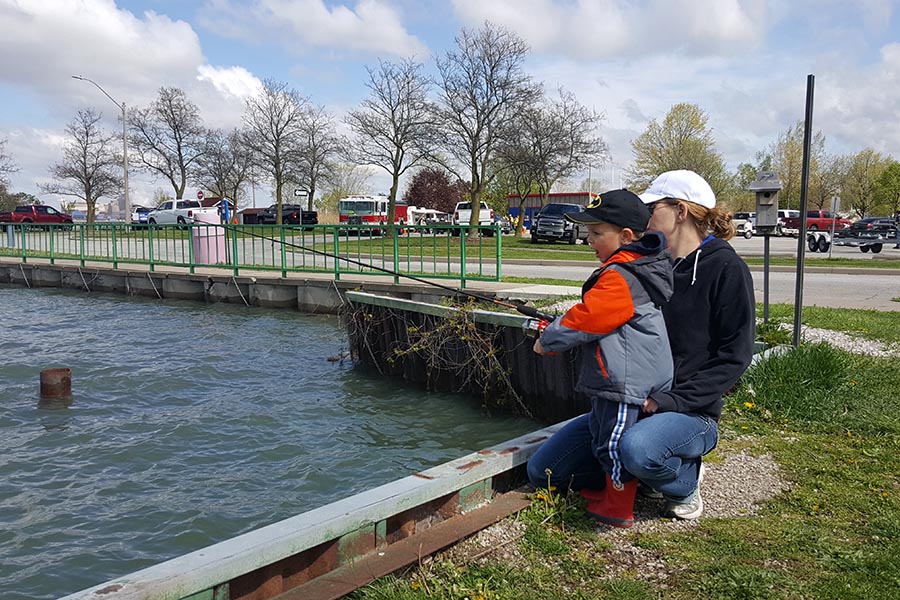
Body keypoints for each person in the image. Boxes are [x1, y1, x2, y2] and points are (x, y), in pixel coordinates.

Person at [528, 189, 674, 528]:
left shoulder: (620, 276)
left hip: (625, 381)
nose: (588, 239)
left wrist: (548, 339)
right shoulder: (636, 268)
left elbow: (588, 318)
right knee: (602, 430)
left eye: (596, 233)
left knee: (612, 442)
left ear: (625, 236)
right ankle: (613, 492)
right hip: (629, 376)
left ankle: (618, 506)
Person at [616, 169, 756, 520]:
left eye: (653, 208)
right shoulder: (652, 264)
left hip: (692, 411)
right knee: (546, 466)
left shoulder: (727, 268)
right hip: (640, 402)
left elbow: (734, 356)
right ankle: (653, 466)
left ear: (680, 211)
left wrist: (672, 400)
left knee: (636, 451)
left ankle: (685, 479)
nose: (646, 216)